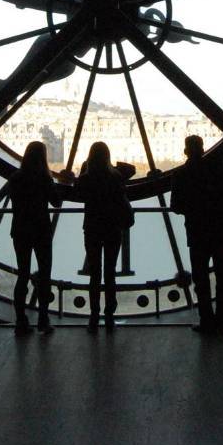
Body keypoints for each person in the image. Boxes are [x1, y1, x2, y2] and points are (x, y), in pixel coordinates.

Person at [169, 135, 223, 333]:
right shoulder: (217, 169)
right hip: (220, 228)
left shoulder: (180, 175)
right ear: (202, 148)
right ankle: (222, 321)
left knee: (201, 279)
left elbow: (176, 206)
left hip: (197, 231)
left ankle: (206, 320)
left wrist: (194, 208)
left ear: (186, 151)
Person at [70, 142, 134, 331]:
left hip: (92, 228)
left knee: (95, 275)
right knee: (110, 273)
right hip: (112, 228)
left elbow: (77, 192)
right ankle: (109, 315)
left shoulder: (86, 179)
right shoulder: (115, 177)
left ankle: (94, 315)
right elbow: (130, 170)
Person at [6, 141, 63, 334]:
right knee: (44, 275)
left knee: (23, 275)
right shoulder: (44, 179)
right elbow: (56, 202)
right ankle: (43, 319)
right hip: (41, 230)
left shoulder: (16, 178)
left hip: (20, 230)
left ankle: (21, 320)